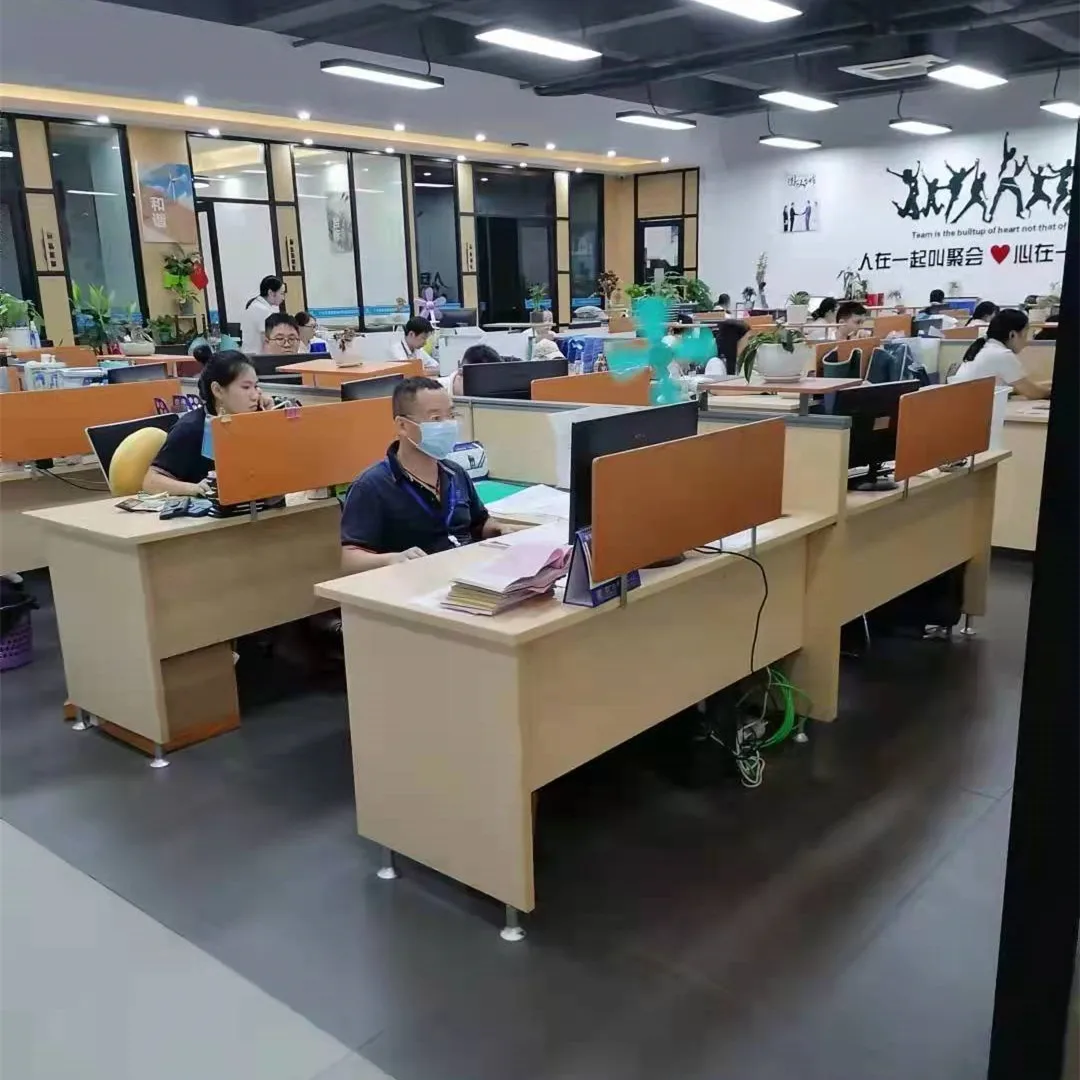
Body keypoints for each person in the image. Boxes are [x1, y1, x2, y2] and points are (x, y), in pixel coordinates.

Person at [340, 377, 501, 572]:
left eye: (451, 415)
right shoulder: (370, 486)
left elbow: (479, 524)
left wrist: (500, 530)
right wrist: (392, 559)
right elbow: (350, 559)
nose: (448, 425)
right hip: (412, 581)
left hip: (467, 574)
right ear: (403, 426)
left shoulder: (455, 472)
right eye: (436, 419)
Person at [142, 351, 262, 496]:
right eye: (246, 387)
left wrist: (272, 417)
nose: (255, 396)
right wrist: (193, 489)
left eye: (256, 387)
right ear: (218, 390)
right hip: (205, 506)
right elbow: (151, 481)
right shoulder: (190, 428)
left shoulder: (253, 420)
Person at [949, 309, 1049, 399]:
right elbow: (1033, 392)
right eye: (1025, 335)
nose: (1026, 342)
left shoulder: (987, 347)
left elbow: (1021, 386)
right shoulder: (1002, 354)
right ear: (1012, 335)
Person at [240, 276, 285, 355]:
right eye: (281, 293)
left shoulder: (254, 306)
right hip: (258, 356)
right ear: (271, 293)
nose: (283, 298)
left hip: (250, 354)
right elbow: (267, 340)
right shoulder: (262, 310)